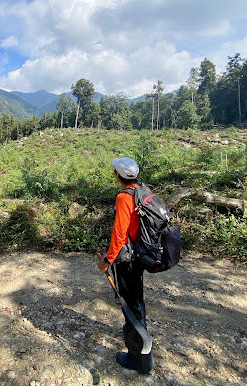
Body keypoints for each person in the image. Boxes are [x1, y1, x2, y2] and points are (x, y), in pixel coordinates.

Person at [97, 156, 153, 374]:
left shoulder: (123, 197)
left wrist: (107, 261)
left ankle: (139, 359)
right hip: (140, 254)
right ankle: (142, 346)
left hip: (127, 257)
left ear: (117, 176)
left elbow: (119, 234)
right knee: (136, 301)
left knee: (129, 305)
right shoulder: (142, 190)